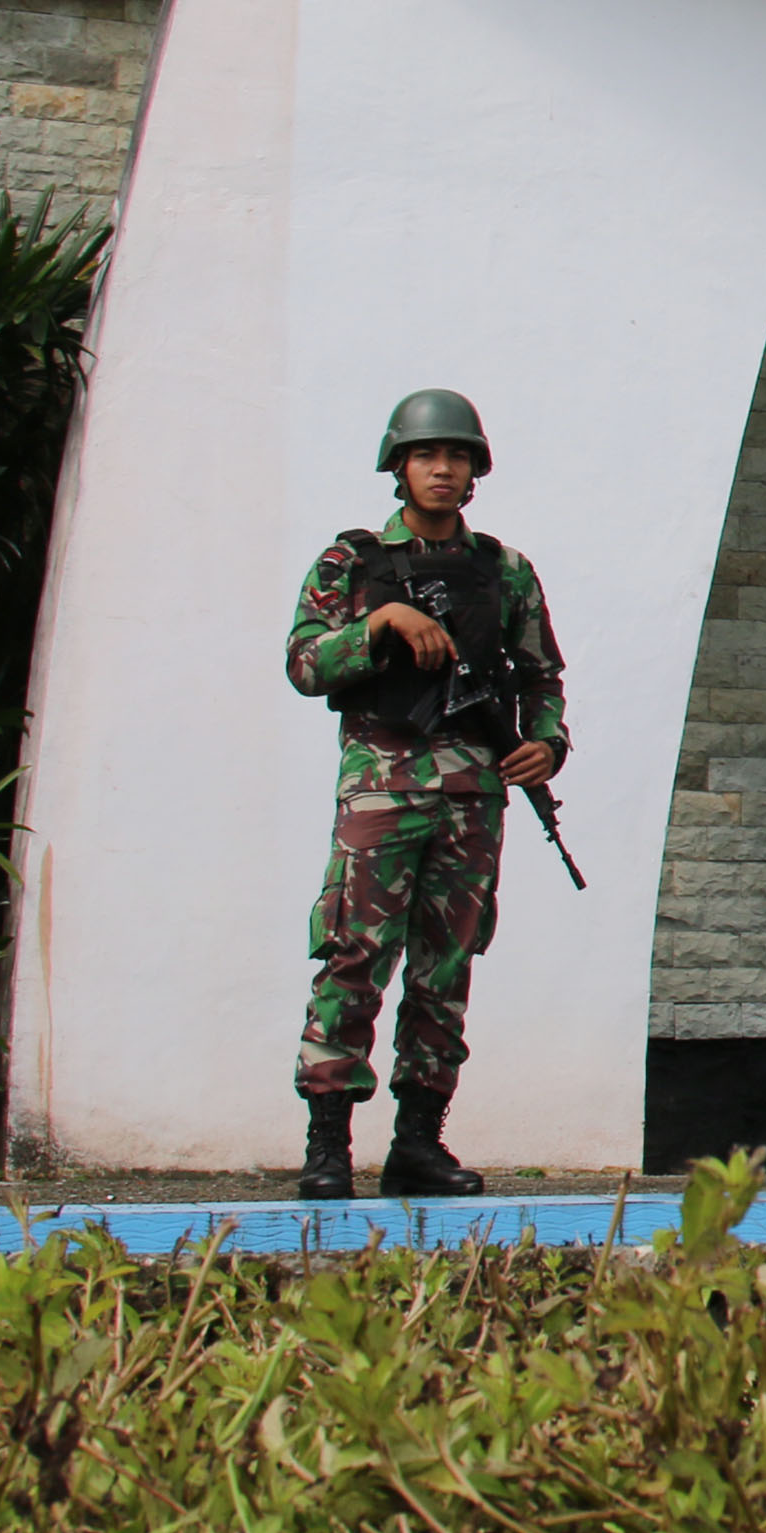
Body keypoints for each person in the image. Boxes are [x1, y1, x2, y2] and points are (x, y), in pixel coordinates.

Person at [281, 389, 567, 1200]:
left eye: (458, 456)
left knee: (446, 969)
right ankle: (328, 1145)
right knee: (354, 955)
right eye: (427, 455)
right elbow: (304, 665)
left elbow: (542, 675)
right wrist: (379, 625)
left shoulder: (504, 570)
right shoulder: (352, 562)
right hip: (383, 786)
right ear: (398, 465)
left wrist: (547, 744)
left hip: (473, 793)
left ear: (477, 471)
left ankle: (418, 1143)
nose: (443, 469)